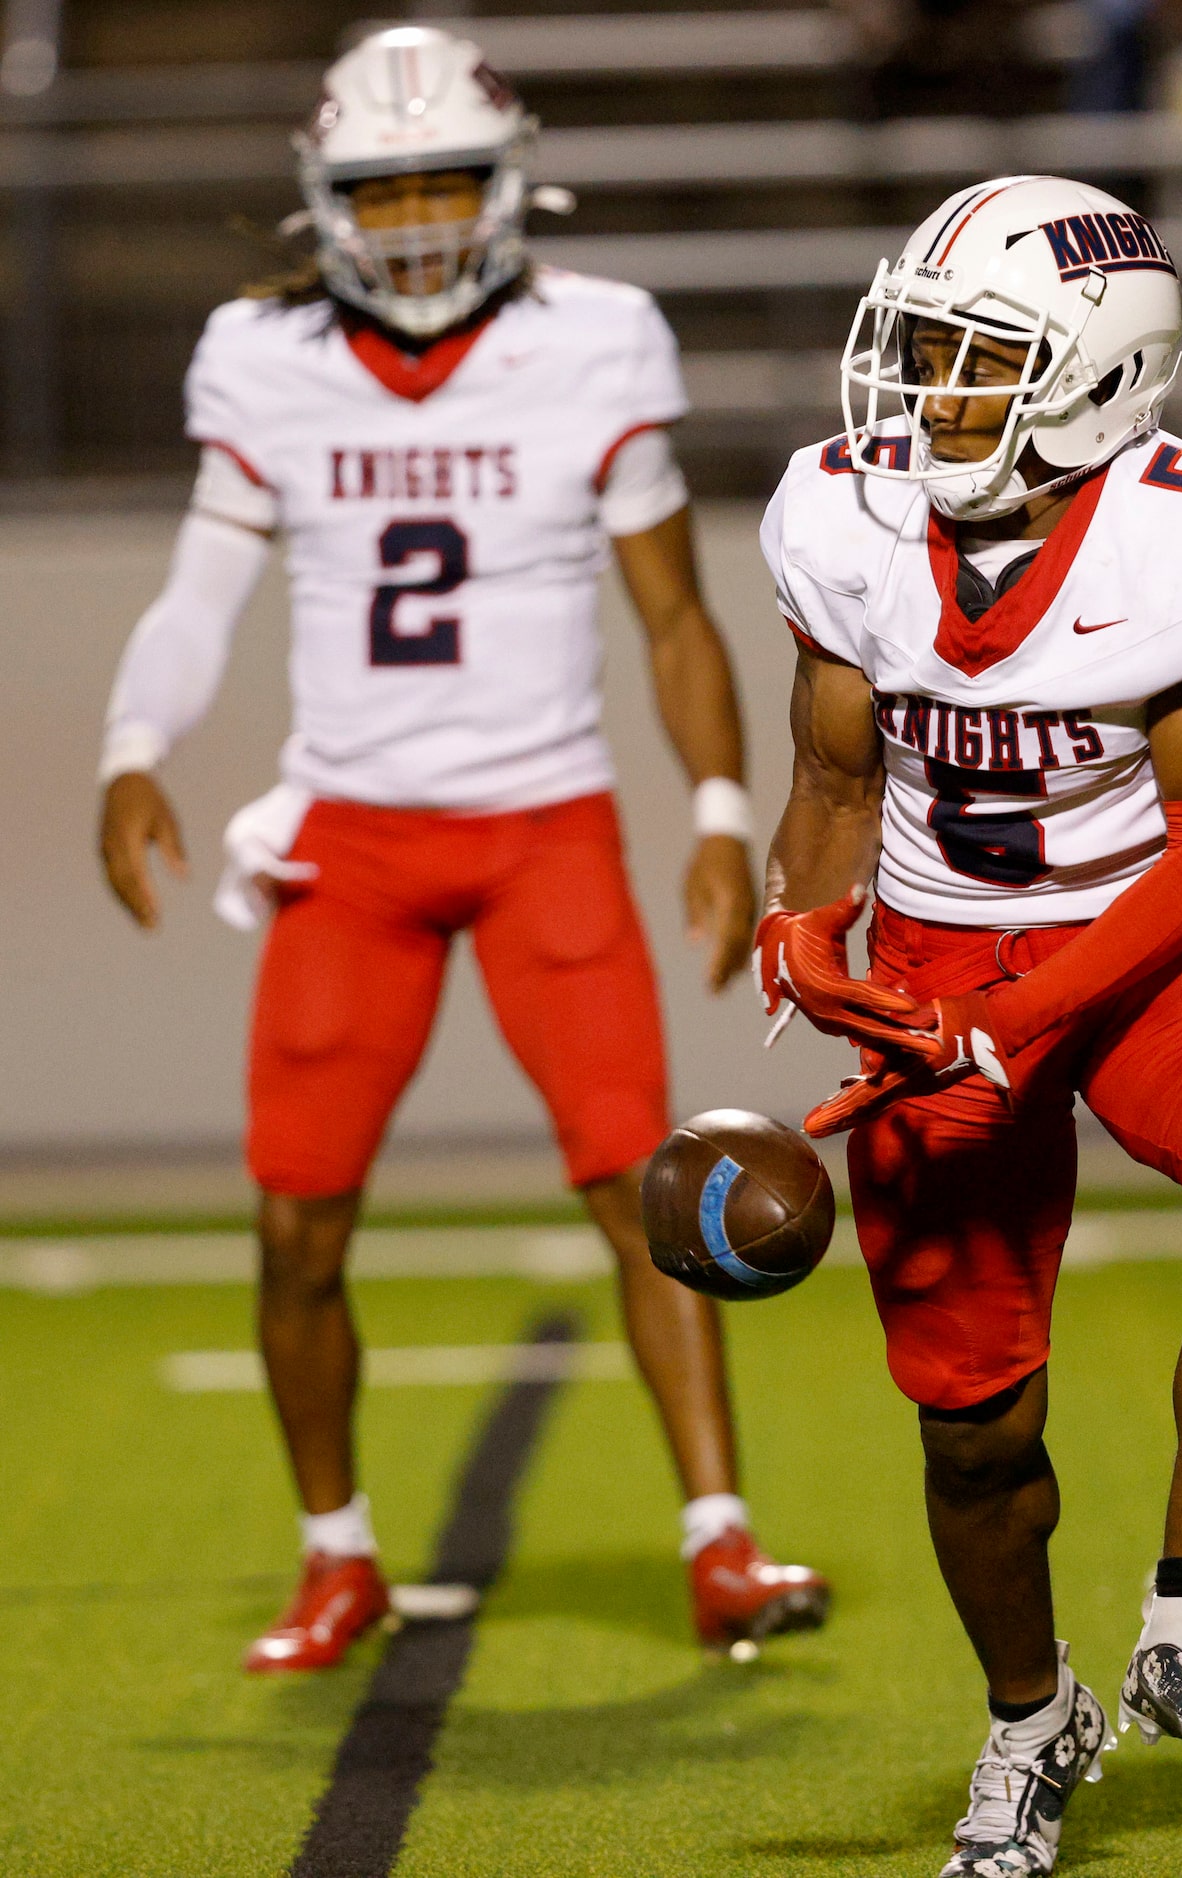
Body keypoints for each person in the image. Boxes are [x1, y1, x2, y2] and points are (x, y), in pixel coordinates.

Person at [97, 23, 828, 1673]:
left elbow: (673, 616)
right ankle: (333, 1550)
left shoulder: (596, 340)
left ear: (507, 188)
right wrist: (133, 744)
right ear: (324, 200)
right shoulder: (260, 355)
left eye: (443, 181)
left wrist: (715, 809)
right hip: (347, 838)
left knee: (648, 1193)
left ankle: (720, 1535)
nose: (417, 217)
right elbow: (203, 586)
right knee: (296, 1224)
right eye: (383, 187)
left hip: (541, 821)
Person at [757, 173, 1182, 1875]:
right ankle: (1031, 1713)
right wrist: (803, 927)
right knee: (975, 1426)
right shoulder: (844, 516)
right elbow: (831, 775)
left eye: (972, 355)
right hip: (936, 953)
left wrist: (1015, 1013)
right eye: (924, 343)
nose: (925, 388)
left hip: (1140, 942)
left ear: (1097, 377)